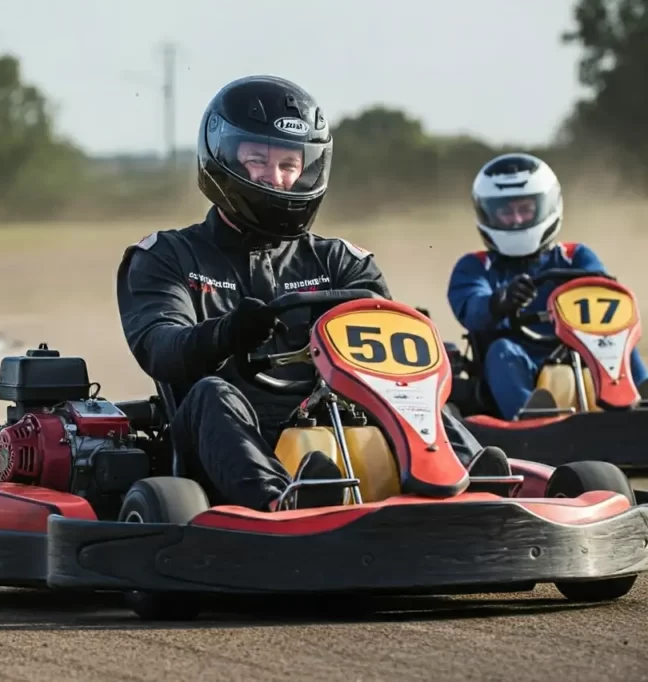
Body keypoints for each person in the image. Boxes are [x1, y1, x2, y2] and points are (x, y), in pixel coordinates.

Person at [115, 75, 507, 513]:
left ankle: (471, 481)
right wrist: (225, 334)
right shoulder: (168, 256)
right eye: (257, 160)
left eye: (289, 164)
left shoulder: (342, 262)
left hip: (332, 421)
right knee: (211, 391)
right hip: (220, 440)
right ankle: (282, 502)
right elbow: (160, 347)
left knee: (404, 389)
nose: (276, 178)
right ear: (222, 157)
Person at [447, 152, 648, 420]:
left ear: (548, 206)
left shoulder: (576, 256)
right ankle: (529, 420)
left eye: (525, 209)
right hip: (519, 360)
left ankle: (637, 402)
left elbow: (604, 298)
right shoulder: (473, 266)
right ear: (486, 214)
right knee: (501, 351)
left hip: (581, 352)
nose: (517, 219)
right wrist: (500, 301)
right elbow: (471, 307)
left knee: (615, 337)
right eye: (506, 212)